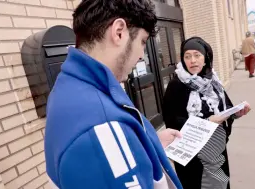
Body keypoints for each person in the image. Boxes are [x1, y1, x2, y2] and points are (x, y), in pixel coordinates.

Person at [44, 1, 183, 189]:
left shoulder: (71, 85)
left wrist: (149, 143)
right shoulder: (102, 128)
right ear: (119, 32)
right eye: (142, 41)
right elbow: (105, 144)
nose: (142, 55)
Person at [162, 37, 251, 189]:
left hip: (216, 148)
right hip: (192, 154)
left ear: (206, 58)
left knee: (219, 183)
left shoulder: (213, 81)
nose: (192, 60)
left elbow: (225, 107)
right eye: (187, 56)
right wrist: (206, 123)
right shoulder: (176, 85)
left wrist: (236, 112)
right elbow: (172, 121)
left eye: (197, 55)